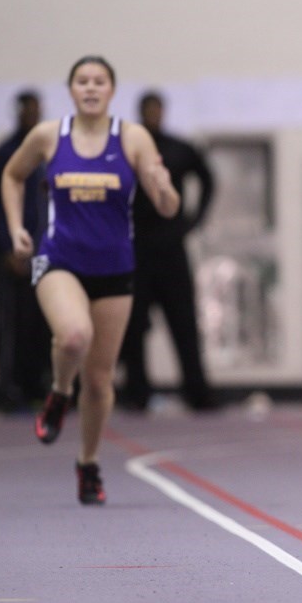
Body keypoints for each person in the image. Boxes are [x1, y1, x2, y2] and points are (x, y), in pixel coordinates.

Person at [2, 56, 180, 505]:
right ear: (71, 90)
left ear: (112, 91)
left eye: (99, 81)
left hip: (115, 267)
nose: (91, 88)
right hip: (57, 258)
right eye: (83, 81)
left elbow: (168, 208)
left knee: (100, 382)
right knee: (74, 336)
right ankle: (59, 393)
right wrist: (14, 226)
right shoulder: (48, 135)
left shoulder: (132, 138)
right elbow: (11, 174)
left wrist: (162, 186)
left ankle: (88, 463)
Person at [118, 90, 218, 413]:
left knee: (183, 321)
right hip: (136, 248)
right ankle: (137, 392)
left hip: (170, 247)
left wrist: (194, 220)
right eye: (147, 110)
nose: (153, 116)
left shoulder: (178, 149)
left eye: (157, 110)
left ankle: (196, 390)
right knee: (133, 325)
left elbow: (207, 178)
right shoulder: (126, 150)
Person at [0, 90, 51, 412]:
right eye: (28, 111)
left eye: (37, 111)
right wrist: (8, 246)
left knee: (38, 320)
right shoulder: (4, 155)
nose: (33, 116)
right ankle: (8, 392)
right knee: (10, 323)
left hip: (41, 254)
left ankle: (35, 385)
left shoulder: (46, 155)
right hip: (11, 253)